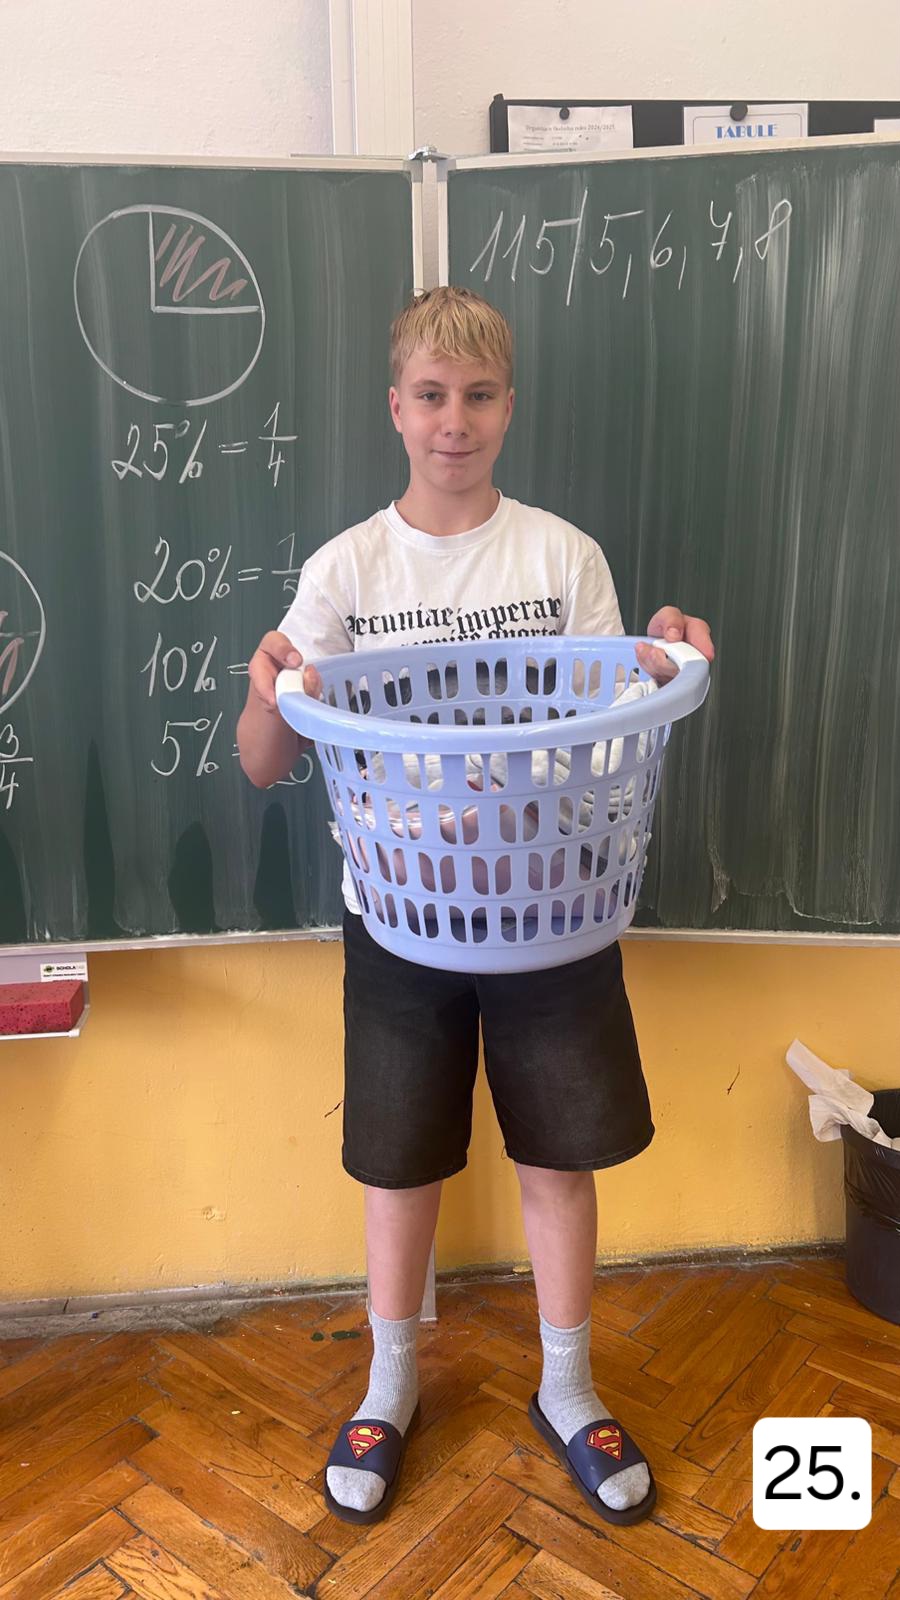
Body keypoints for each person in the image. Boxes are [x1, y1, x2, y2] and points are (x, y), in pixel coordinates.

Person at [237, 286, 714, 1528]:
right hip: (401, 916)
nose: (456, 420)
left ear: (510, 407)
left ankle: (569, 1383)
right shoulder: (346, 569)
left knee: (559, 1152)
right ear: (396, 409)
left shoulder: (562, 557)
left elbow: (607, 722)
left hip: (550, 903)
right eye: (433, 396)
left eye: (481, 395)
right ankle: (389, 1381)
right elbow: (264, 760)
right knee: (399, 1162)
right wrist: (266, 684)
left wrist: (664, 653)